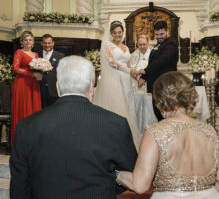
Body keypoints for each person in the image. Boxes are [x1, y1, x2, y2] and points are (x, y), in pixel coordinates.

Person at [9, 56, 137, 199]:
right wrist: (107, 180)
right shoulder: (116, 124)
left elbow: (19, 187)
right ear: (91, 87)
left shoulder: (27, 126)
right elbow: (133, 175)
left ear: (58, 87)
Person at [117, 71, 219, 199]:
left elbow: (140, 185)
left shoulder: (155, 131)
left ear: (159, 100)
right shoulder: (210, 131)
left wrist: (116, 174)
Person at [93, 20, 141, 149]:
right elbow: (112, 63)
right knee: (119, 108)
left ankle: (129, 138)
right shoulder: (108, 45)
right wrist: (129, 70)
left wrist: (137, 76)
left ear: (123, 33)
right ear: (111, 33)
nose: (118, 35)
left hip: (127, 81)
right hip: (115, 80)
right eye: (115, 32)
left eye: (120, 32)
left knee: (129, 107)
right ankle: (116, 141)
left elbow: (129, 65)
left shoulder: (126, 47)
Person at [138, 21, 178, 121]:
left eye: (162, 34)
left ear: (167, 32)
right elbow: (152, 63)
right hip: (156, 86)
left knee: (167, 114)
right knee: (158, 113)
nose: (159, 37)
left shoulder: (171, 45)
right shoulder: (156, 46)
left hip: (166, 86)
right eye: (157, 34)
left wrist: (144, 71)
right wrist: (144, 78)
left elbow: (161, 61)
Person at [11, 30, 42, 148]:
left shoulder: (36, 55)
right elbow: (15, 68)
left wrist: (40, 74)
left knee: (34, 112)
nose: (28, 42)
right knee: (23, 110)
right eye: (26, 40)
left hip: (34, 85)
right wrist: (31, 74)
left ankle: (32, 143)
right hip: (22, 84)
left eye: (30, 40)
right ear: (22, 42)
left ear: (33, 42)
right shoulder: (19, 52)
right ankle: (20, 144)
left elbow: (39, 70)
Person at [129, 35, 157, 133]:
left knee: (150, 112)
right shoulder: (133, 55)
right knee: (137, 112)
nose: (142, 47)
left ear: (148, 43)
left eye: (144, 44)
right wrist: (137, 78)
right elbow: (130, 70)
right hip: (136, 88)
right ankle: (138, 133)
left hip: (150, 88)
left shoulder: (153, 54)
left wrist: (144, 78)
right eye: (140, 45)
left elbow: (155, 69)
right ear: (137, 44)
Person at [39, 33, 65, 108]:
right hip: (39, 91)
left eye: (49, 43)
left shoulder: (61, 56)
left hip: (54, 91)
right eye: (45, 43)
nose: (47, 45)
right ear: (41, 43)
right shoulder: (37, 55)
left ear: (53, 43)